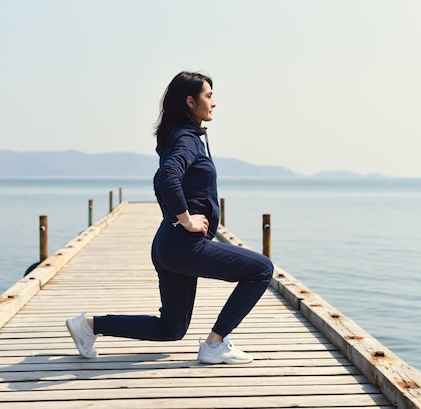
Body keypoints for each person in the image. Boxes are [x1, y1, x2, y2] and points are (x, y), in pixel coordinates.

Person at [66, 71, 274, 364]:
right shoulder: (187, 139)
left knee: (171, 329)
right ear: (190, 101)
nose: (214, 103)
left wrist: (176, 219)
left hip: (169, 245)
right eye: (208, 95)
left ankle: (89, 326)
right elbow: (167, 179)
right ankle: (215, 345)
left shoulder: (180, 138)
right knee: (261, 269)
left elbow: (162, 180)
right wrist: (187, 220)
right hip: (183, 245)